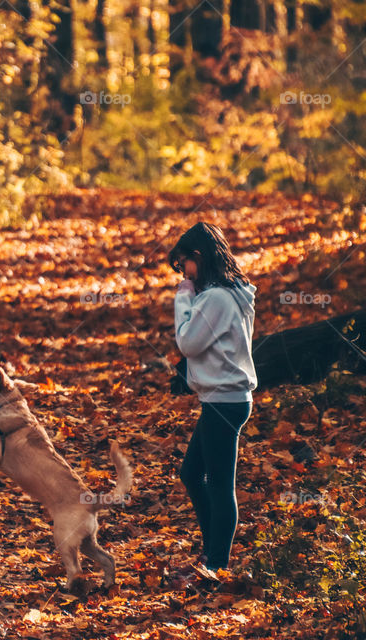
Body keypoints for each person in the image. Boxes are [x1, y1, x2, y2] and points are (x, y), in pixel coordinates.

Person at [169, 222, 257, 577]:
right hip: (223, 398)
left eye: (184, 264)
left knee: (219, 482)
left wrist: (182, 297)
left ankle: (216, 563)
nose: (183, 273)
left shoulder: (216, 298)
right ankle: (211, 555)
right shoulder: (230, 293)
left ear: (199, 258)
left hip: (224, 400)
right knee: (192, 473)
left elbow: (187, 343)